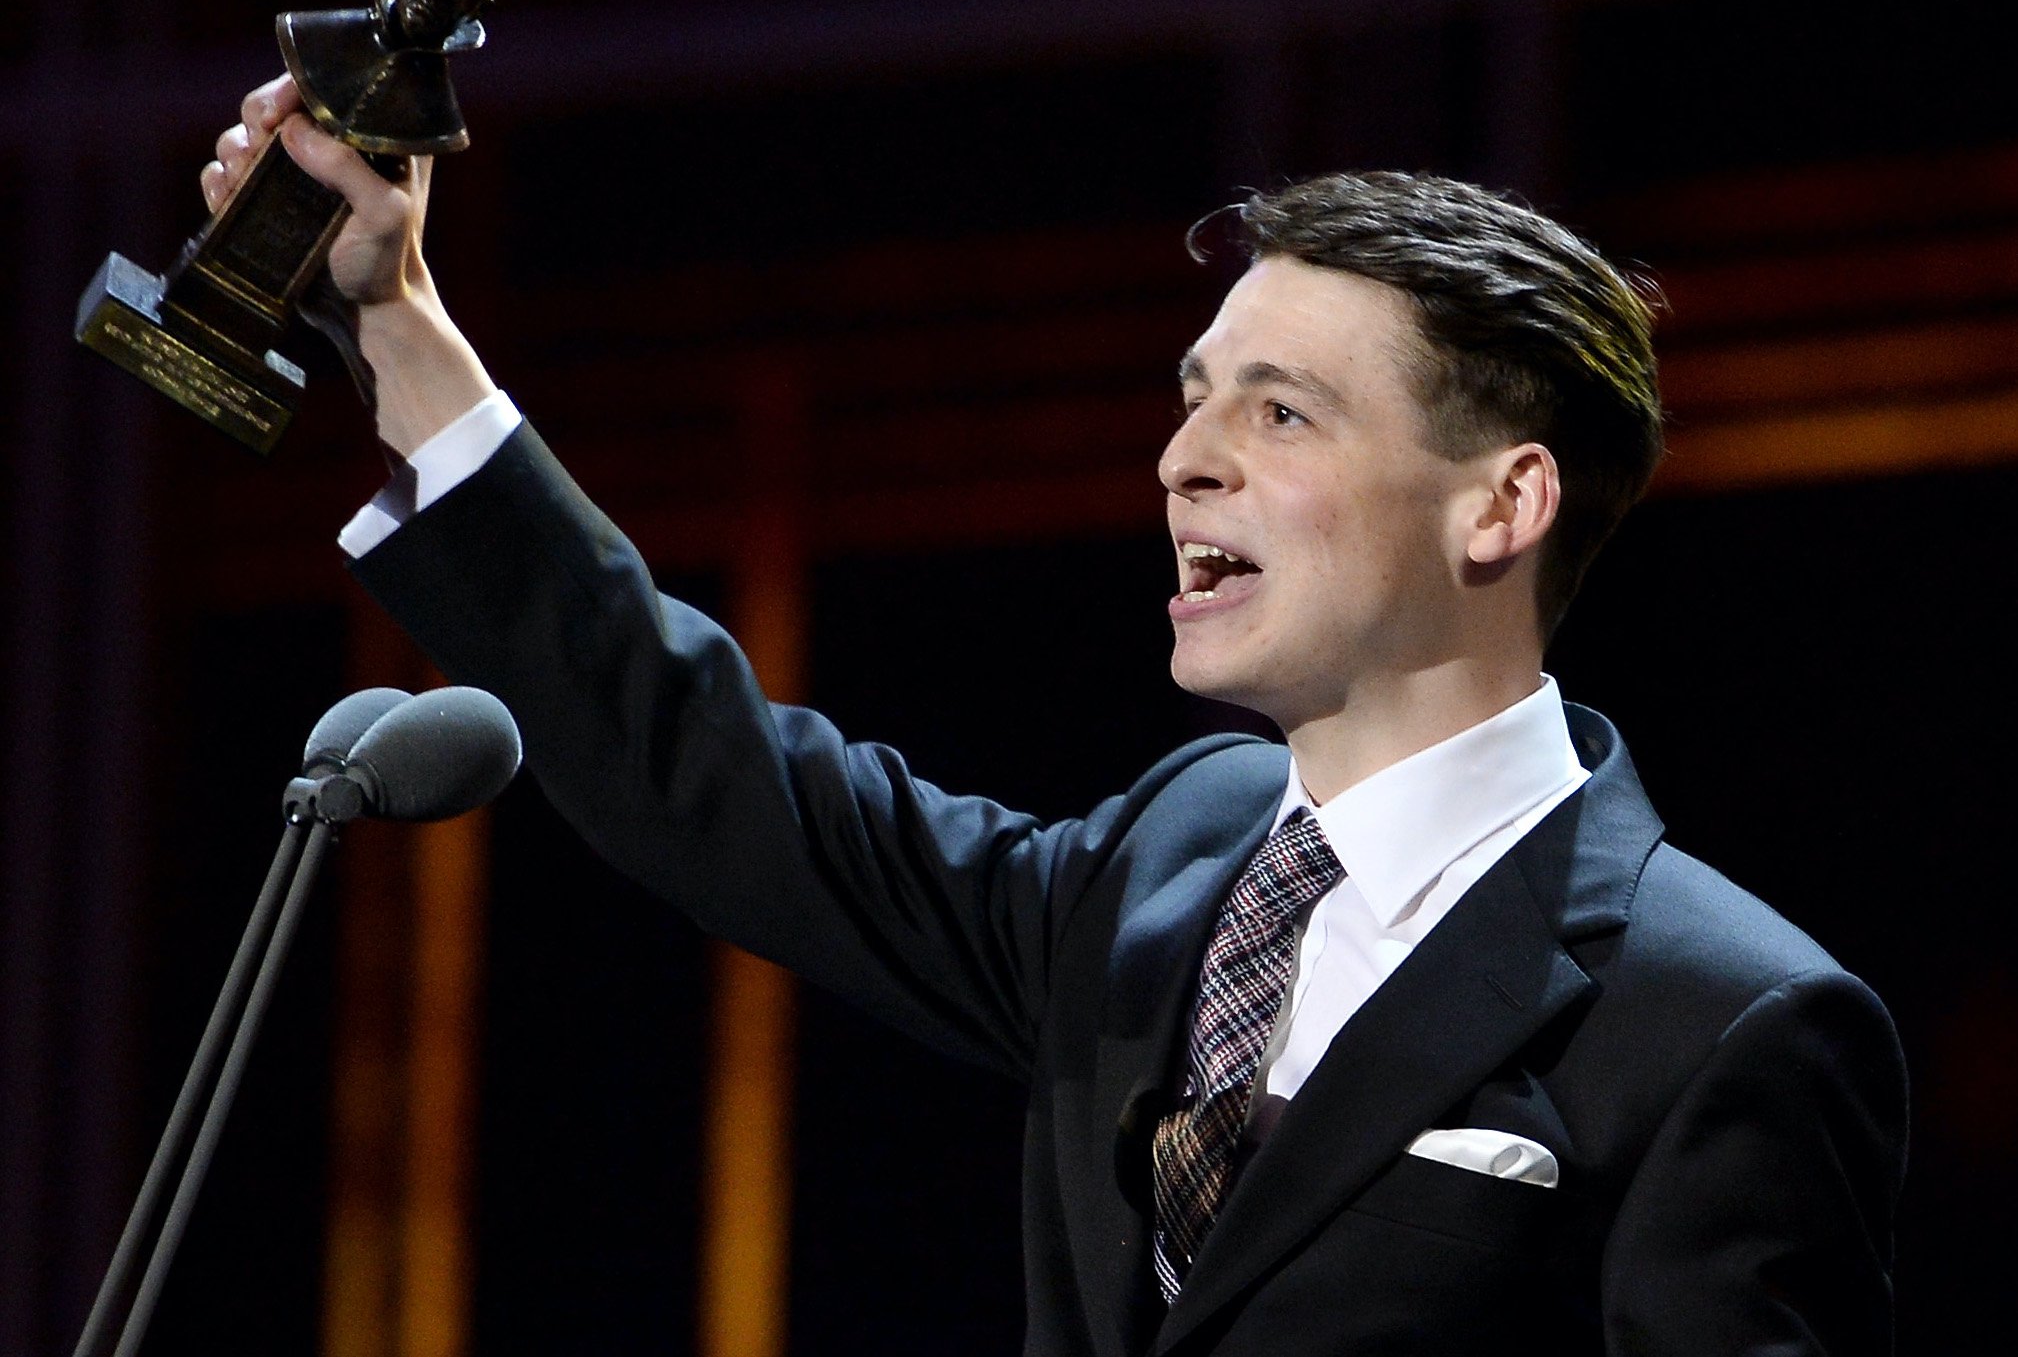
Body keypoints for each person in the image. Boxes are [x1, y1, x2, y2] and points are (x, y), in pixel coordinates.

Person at [204, 76, 1908, 1355]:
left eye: (1284, 411)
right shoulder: (1174, 853)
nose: (1187, 457)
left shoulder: (1720, 1018)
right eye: (1192, 399)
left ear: (1500, 505)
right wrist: (396, 325)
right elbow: (729, 787)